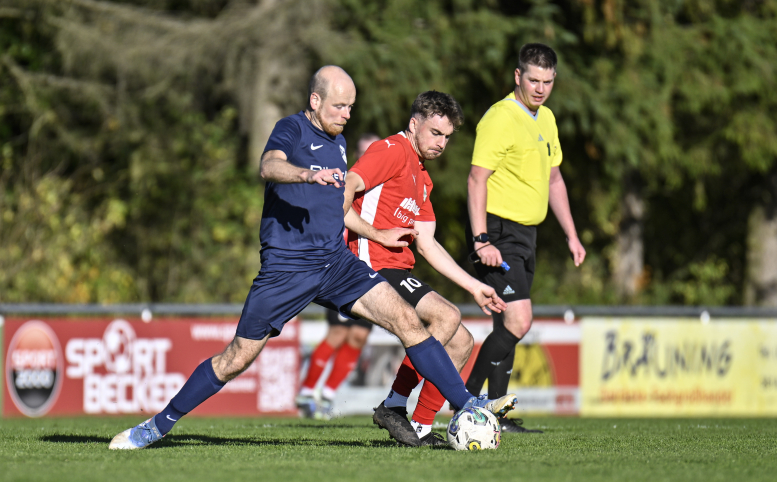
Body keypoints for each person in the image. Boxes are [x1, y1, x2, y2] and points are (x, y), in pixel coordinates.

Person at [109, 66, 517, 450]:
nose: (346, 114)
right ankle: (156, 426)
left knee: (408, 320)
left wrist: (376, 234)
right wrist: (305, 174)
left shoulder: (339, 144)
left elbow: (341, 210)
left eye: (351, 107)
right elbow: (268, 166)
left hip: (336, 264)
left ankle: (464, 403)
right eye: (339, 106)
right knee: (236, 358)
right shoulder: (292, 128)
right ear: (315, 100)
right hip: (287, 270)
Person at [344, 91, 509, 447]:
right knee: (446, 317)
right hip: (368, 264)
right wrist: (369, 233)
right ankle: (394, 404)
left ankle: (418, 428)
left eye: (447, 137)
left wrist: (474, 287)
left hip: (396, 268)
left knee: (463, 340)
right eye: (435, 133)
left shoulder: (422, 176)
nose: (442, 143)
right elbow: (348, 184)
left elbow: (428, 244)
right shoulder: (390, 151)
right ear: (414, 124)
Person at [463, 43, 586, 433]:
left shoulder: (546, 119)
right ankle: (463, 401)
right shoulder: (500, 118)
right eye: (533, 79)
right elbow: (476, 179)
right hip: (498, 232)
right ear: (517, 76)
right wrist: (481, 239)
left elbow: (554, 179)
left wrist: (572, 234)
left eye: (548, 81)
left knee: (507, 325)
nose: (540, 88)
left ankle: (495, 412)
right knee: (519, 319)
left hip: (527, 234)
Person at [295, 134, 379, 420]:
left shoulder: (383, 189)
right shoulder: (347, 183)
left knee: (357, 337)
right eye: (366, 151)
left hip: (370, 268)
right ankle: (307, 393)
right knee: (338, 332)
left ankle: (327, 395)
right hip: (341, 268)